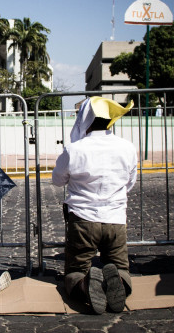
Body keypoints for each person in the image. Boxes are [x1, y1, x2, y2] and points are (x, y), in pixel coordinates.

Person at [52, 96, 136, 314]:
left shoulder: (74, 149)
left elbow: (57, 180)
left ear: (84, 118)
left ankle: (85, 286)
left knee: (75, 271)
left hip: (82, 220)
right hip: (116, 220)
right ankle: (119, 282)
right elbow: (130, 182)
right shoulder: (127, 147)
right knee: (121, 267)